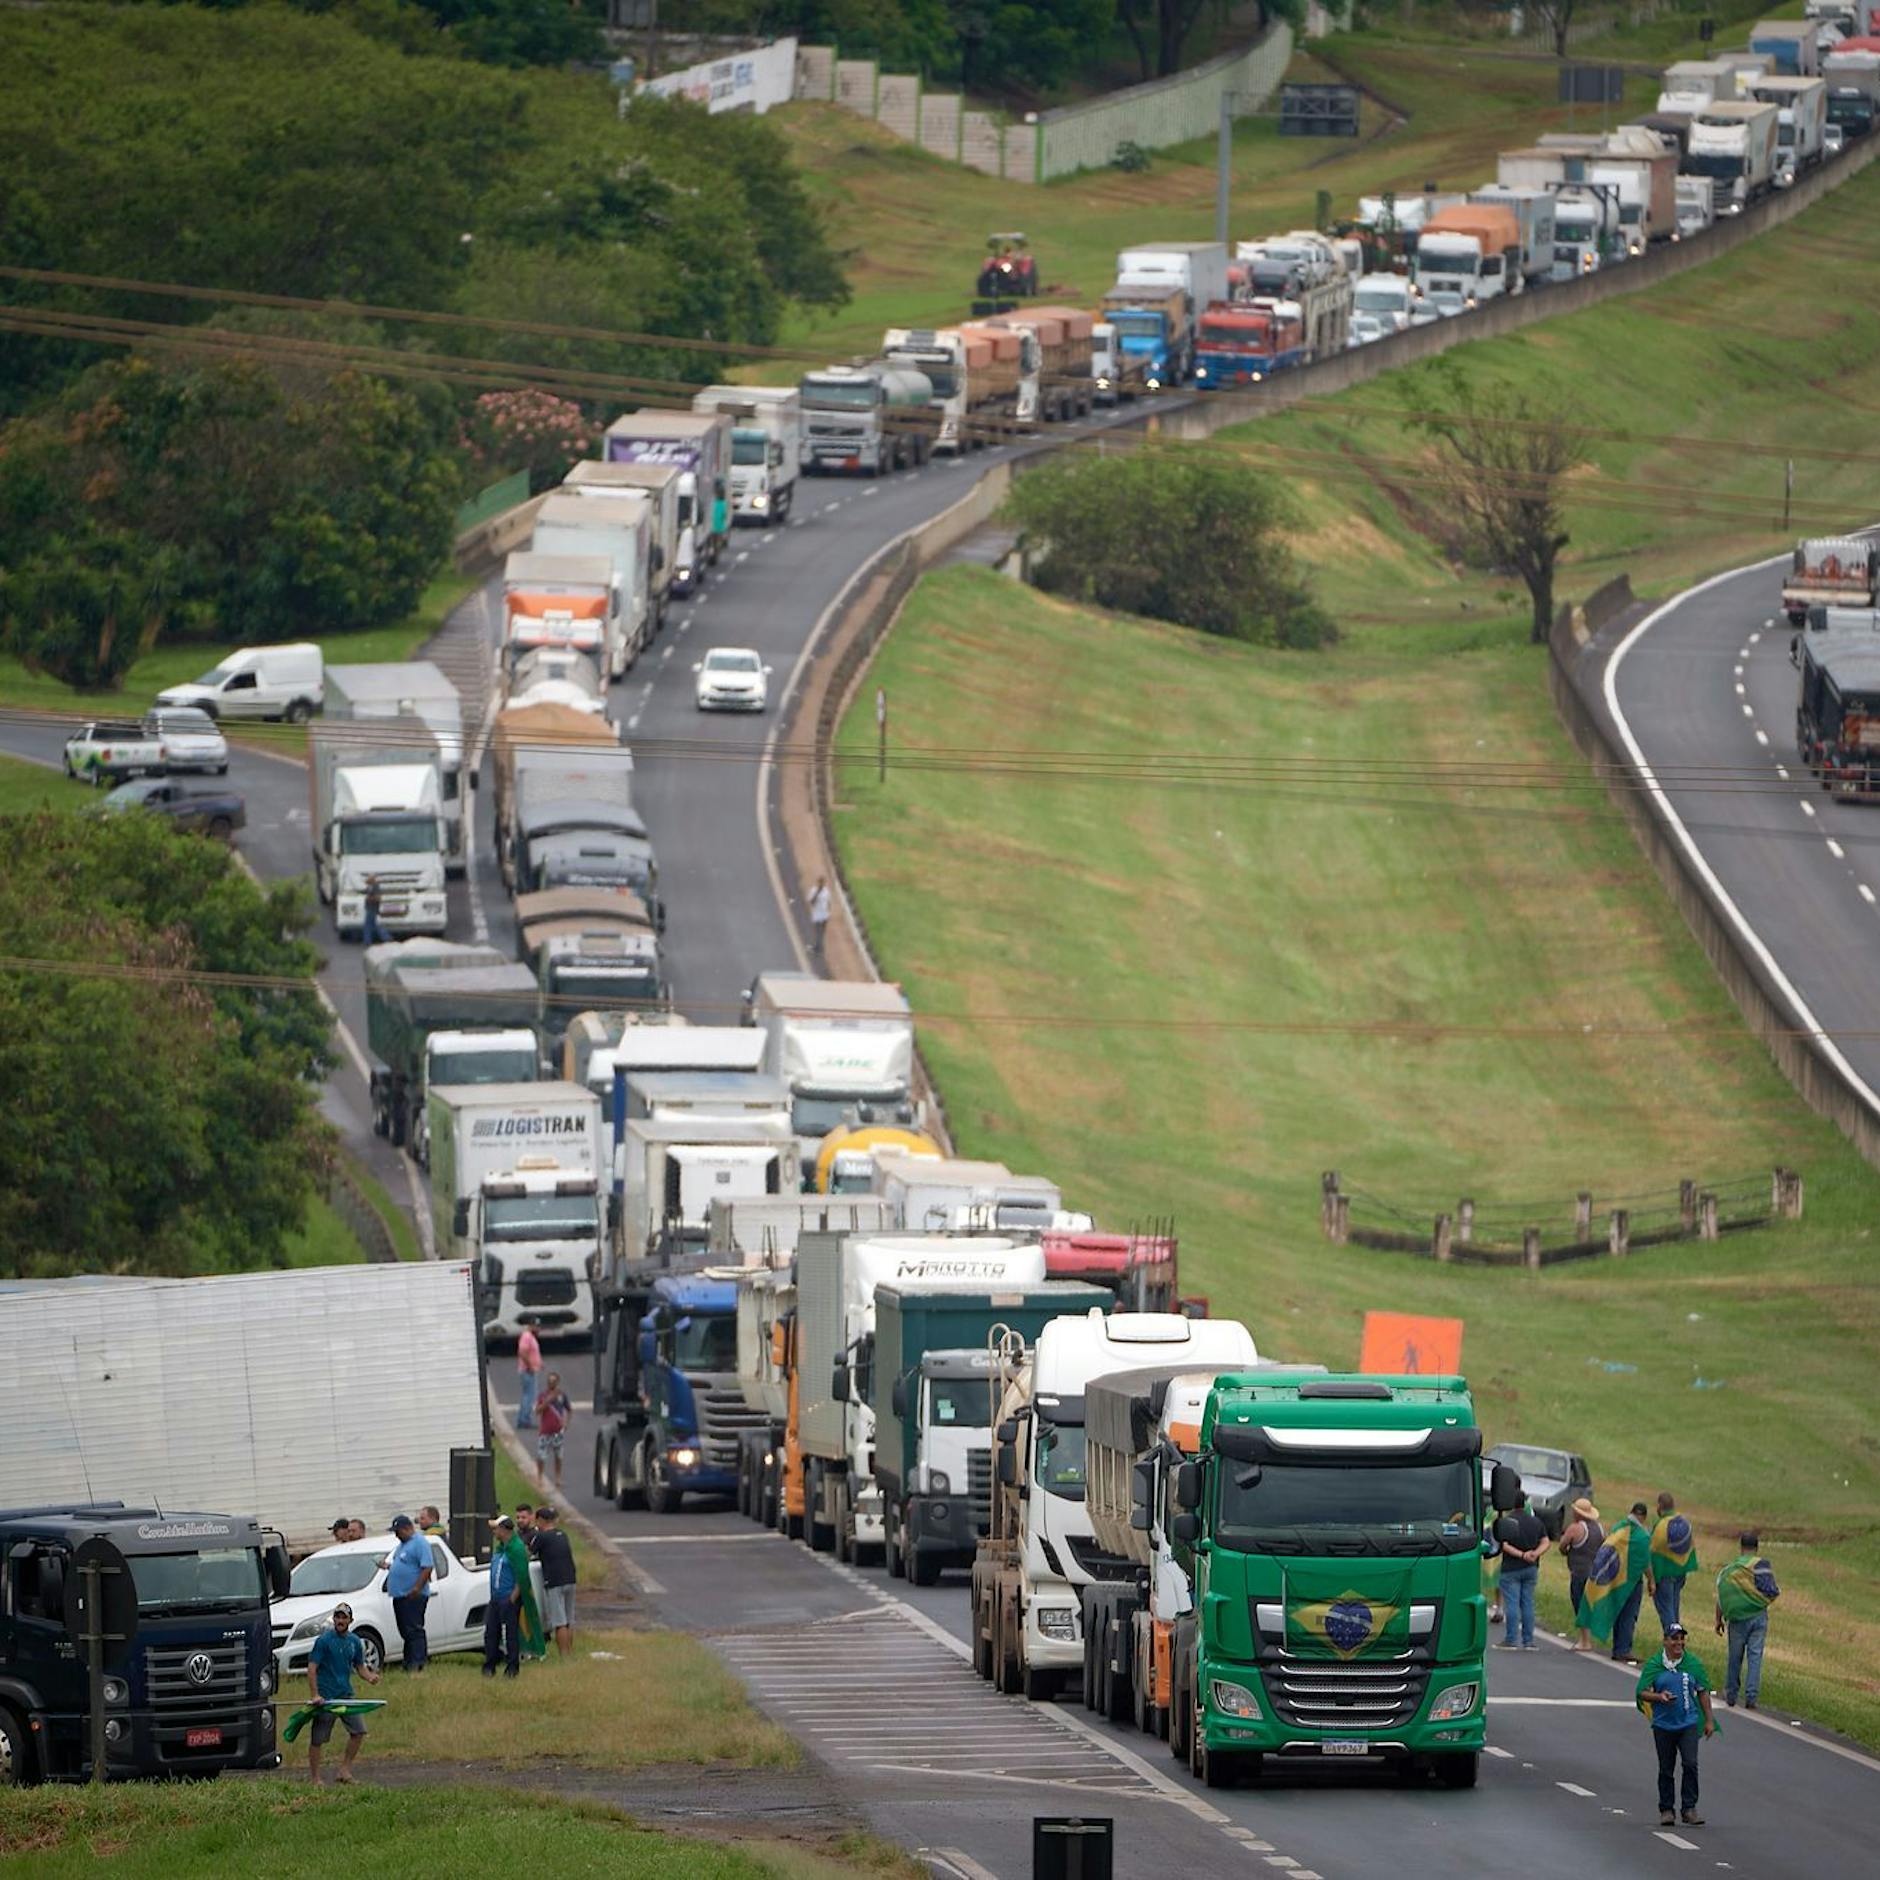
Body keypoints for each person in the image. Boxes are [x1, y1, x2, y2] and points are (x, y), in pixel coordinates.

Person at [1636, 1621, 1715, 1827]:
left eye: (1681, 1639)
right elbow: (1641, 1691)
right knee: (1666, 1768)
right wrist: (1659, 1697)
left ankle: (1689, 1808)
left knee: (1690, 1763)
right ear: (1665, 1641)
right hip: (1663, 1725)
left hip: (1688, 1723)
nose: (1678, 1643)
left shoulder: (1693, 1664)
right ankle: (1666, 1809)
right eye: (1674, 1639)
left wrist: (1709, 1720)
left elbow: (1703, 1691)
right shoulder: (1655, 1665)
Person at [306, 1602, 379, 1784]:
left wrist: (370, 1677)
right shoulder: (323, 1641)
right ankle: (315, 1778)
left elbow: (360, 1667)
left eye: (343, 1617)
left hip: (346, 1695)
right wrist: (315, 1694)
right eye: (337, 1617)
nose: (340, 1620)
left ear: (350, 1620)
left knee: (359, 1732)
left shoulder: (355, 1642)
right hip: (326, 1697)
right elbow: (312, 1668)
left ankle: (344, 1770)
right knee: (318, 1739)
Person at [1714, 1530, 1780, 1710]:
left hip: (1737, 1620)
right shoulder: (1761, 1566)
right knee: (1755, 1656)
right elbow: (1772, 1590)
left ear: (1741, 1547)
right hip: (1759, 1616)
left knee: (1735, 1657)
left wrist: (1718, 1619)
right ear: (1756, 1548)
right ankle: (1751, 1696)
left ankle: (1731, 1693)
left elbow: (1722, 1596)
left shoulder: (1729, 1570)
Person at [1492, 1496, 1550, 1650]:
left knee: (1512, 1604)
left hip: (1511, 1567)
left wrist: (1521, 1554)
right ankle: (1528, 1640)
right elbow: (1546, 1542)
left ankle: (1511, 1639)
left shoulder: (1507, 1522)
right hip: (1531, 1568)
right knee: (1527, 1603)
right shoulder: (1535, 1522)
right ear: (1524, 1503)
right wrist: (1535, 1554)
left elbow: (1504, 1545)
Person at [384, 1514, 433, 1674]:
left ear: (407, 1528)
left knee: (414, 1629)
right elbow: (403, 1565)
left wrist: (417, 1588)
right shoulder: (401, 1546)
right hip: (400, 1596)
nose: (396, 1535)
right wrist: (389, 1567)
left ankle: (418, 1662)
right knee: (405, 1631)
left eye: (398, 1531)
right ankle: (409, 1661)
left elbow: (427, 1567)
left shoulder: (420, 1543)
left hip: (413, 1595)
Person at [1650, 1491, 1699, 1632]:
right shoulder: (1685, 1523)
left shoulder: (1661, 1526)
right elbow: (1690, 1548)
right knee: (1674, 1608)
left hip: (1664, 1574)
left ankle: (1672, 1638)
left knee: (1666, 1611)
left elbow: (1653, 1552)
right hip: (1680, 1572)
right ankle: (1677, 1638)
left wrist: (1653, 1578)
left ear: (1660, 1506)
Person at [1560, 1497, 1605, 1651]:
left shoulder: (1575, 1528)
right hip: (1595, 1572)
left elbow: (1562, 1545)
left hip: (1579, 1571)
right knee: (1589, 1604)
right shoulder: (1600, 1528)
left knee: (1579, 1604)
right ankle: (1588, 1639)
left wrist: (1567, 1552)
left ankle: (1583, 1640)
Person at [483, 1516, 526, 1678]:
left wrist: (512, 1598)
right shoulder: (500, 1549)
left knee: (511, 1634)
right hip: (495, 1597)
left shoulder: (516, 1548)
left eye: (496, 1529)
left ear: (504, 1529)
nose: (494, 1532)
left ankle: (512, 1667)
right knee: (491, 1632)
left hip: (508, 1597)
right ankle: (490, 1664)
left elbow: (522, 1576)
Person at [1611, 1502, 1653, 1664]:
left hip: (1616, 1576)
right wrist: (1652, 1580)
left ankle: (1617, 1648)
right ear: (1643, 1517)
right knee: (1629, 1615)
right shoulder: (1642, 1535)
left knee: (1618, 1613)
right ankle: (1623, 1649)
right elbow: (1645, 1561)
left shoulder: (1618, 1528)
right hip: (1633, 1579)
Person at [533, 1506, 577, 1657]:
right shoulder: (562, 1534)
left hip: (554, 1580)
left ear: (541, 1520)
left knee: (559, 1622)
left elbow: (528, 1552)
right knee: (569, 1619)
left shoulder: (541, 1537)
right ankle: (570, 1651)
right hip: (570, 1578)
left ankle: (564, 1655)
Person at [536, 1372, 572, 1492]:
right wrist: (548, 1401)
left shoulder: (562, 1396)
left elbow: (569, 1409)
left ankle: (558, 1478)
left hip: (558, 1431)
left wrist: (566, 1422)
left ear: (557, 1382)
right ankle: (540, 1477)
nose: (551, 1383)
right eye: (549, 1381)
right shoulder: (542, 1395)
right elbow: (538, 1410)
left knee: (558, 1455)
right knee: (541, 1456)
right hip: (545, 1431)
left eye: (553, 1381)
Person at [516, 1324, 543, 1430]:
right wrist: (530, 1366)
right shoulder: (527, 1336)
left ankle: (524, 1419)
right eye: (537, 1326)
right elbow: (522, 1352)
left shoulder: (530, 1337)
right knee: (529, 1396)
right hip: (527, 1371)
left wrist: (539, 1363)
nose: (539, 1329)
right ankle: (524, 1420)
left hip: (530, 1370)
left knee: (529, 1395)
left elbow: (532, 1353)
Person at [807, 877, 832, 959]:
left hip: (824, 915)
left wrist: (828, 912)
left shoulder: (826, 892)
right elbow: (811, 902)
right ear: (817, 883)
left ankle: (818, 948)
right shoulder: (814, 890)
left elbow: (829, 902)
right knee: (818, 932)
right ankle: (818, 947)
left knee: (821, 932)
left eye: (822, 883)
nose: (821, 885)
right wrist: (817, 894)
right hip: (817, 914)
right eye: (819, 883)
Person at [362, 879, 389, 947]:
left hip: (372, 909)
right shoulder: (371, 887)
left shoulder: (375, 887)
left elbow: (378, 898)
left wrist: (369, 898)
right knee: (373, 925)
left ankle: (367, 941)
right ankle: (386, 937)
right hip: (371, 908)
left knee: (368, 926)